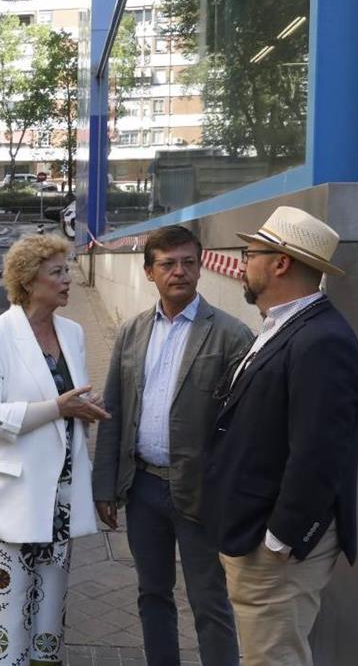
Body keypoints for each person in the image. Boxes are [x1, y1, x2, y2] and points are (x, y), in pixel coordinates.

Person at [202, 206, 358, 666]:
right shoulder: (285, 325)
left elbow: (319, 454)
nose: (242, 262)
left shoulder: (322, 340)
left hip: (274, 552)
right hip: (253, 534)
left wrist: (280, 538)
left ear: (280, 263)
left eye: (250, 253)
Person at [92, 226, 251, 666]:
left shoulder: (232, 337)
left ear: (201, 268)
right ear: (149, 273)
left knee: (209, 601)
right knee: (152, 594)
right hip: (142, 489)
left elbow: (244, 431)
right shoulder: (130, 333)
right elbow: (114, 412)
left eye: (188, 262)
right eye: (168, 264)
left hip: (201, 494)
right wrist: (104, 485)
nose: (179, 272)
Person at [0, 234, 109, 665]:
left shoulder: (73, 332)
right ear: (29, 281)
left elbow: (66, 399)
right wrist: (56, 408)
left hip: (58, 501)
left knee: (48, 617)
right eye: (58, 272)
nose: (69, 280)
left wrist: (83, 410)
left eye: (67, 270)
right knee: (3, 618)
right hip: (12, 498)